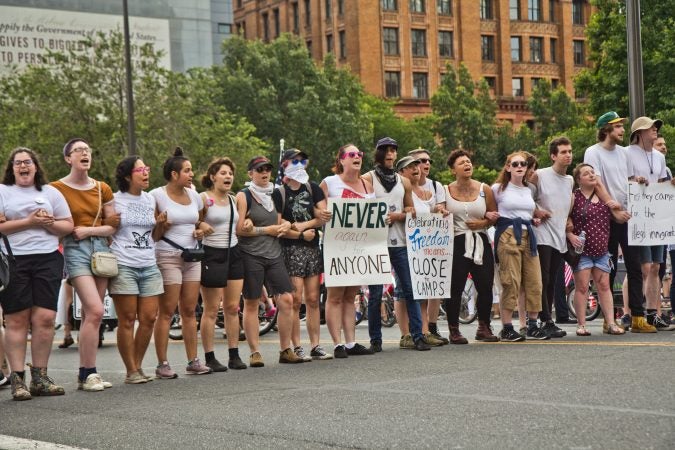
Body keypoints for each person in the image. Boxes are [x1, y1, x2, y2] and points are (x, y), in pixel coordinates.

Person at [0, 147, 73, 400]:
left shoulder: (51, 192)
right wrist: (29, 222)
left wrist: (49, 222)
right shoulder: (3, 192)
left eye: (27, 162)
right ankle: (18, 380)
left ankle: (40, 378)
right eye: (18, 163)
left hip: (47, 259)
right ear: (11, 168)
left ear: (35, 167)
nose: (23, 166)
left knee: (44, 318)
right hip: (14, 260)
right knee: (17, 320)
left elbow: (68, 225)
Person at [51, 138, 117, 391]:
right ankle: (88, 372)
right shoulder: (55, 188)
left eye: (88, 150)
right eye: (78, 150)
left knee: (94, 315)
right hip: (74, 249)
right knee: (96, 310)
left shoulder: (102, 188)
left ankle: (87, 373)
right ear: (68, 158)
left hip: (100, 248)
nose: (84, 153)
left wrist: (89, 231)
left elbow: (113, 224)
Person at [584, 112, 655, 332]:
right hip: (604, 215)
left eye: (622, 126)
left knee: (634, 265)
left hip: (626, 214)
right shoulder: (593, 152)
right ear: (606, 129)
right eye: (617, 127)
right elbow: (596, 183)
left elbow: (628, 179)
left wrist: (637, 180)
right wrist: (612, 208)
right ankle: (608, 318)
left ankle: (637, 316)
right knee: (609, 266)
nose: (622, 130)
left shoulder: (624, 153)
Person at [363, 138, 430, 352]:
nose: (390, 154)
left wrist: (399, 215)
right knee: (375, 294)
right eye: (386, 151)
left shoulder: (404, 181)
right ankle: (375, 339)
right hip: (376, 242)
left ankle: (418, 335)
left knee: (410, 289)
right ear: (379, 154)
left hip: (400, 241)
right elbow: (361, 208)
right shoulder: (368, 178)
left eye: (393, 150)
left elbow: (410, 210)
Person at [236, 156, 303, 366]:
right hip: (251, 254)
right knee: (252, 302)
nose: (264, 173)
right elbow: (239, 230)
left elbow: (279, 221)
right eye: (259, 170)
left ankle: (285, 349)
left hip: (274, 254)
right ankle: (255, 352)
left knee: (287, 300)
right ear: (250, 174)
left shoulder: (274, 194)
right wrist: (266, 230)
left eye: (267, 169)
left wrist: (286, 226)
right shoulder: (244, 195)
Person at [151, 147, 212, 378]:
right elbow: (153, 235)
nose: (191, 174)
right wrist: (160, 225)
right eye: (187, 171)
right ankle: (162, 363)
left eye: (191, 170)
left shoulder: (195, 196)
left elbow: (199, 221)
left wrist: (201, 230)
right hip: (167, 256)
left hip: (192, 256)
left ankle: (193, 360)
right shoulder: (157, 195)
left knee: (189, 310)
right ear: (174, 174)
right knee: (166, 311)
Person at [272, 149, 333, 361]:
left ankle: (316, 345)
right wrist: (300, 235)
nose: (300, 164)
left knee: (314, 298)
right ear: (286, 164)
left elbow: (323, 215)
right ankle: (297, 345)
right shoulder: (279, 192)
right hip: (291, 248)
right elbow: (278, 224)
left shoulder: (312, 187)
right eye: (295, 160)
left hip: (312, 246)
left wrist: (303, 226)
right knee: (296, 299)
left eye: (303, 160)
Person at [109, 156, 162, 384]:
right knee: (128, 319)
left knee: (149, 318)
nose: (145, 173)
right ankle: (130, 370)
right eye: (140, 169)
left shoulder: (150, 200)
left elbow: (154, 236)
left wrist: (161, 224)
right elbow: (108, 230)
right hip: (124, 263)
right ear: (127, 175)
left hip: (148, 263)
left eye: (146, 168)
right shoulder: (114, 199)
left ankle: (138, 366)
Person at [319, 144, 377, 358]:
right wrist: (322, 213)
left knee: (350, 295)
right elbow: (317, 207)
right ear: (341, 160)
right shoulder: (329, 182)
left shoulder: (368, 185)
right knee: (335, 295)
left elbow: (373, 213)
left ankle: (351, 342)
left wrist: (383, 218)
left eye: (359, 154)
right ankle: (337, 343)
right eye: (351, 154)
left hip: (359, 246)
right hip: (336, 245)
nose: (357, 157)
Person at [492, 152, 549, 341]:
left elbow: (528, 210)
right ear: (507, 167)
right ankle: (507, 327)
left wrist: (534, 218)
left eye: (523, 164)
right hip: (508, 234)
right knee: (511, 281)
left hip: (528, 234)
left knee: (535, 281)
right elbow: (490, 212)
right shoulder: (498, 189)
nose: (519, 166)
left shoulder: (528, 189)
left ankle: (532, 325)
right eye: (514, 163)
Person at [445, 150, 500, 343]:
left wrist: (483, 224)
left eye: (469, 161)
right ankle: (454, 329)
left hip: (480, 240)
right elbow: (439, 213)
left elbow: (493, 215)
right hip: (456, 242)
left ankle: (483, 326)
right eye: (461, 163)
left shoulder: (485, 189)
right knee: (455, 287)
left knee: (485, 285)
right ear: (453, 170)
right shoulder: (445, 190)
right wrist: (439, 210)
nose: (467, 165)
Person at [198, 157, 247, 371]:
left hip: (233, 252)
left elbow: (239, 224)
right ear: (212, 177)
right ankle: (209, 356)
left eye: (230, 173)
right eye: (223, 173)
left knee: (232, 307)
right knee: (210, 309)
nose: (228, 177)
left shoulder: (234, 199)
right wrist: (201, 223)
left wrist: (249, 222)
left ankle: (233, 354)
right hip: (211, 253)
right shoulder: (202, 198)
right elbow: (192, 221)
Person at [626, 117, 675, 330]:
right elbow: (624, 180)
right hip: (638, 215)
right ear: (639, 133)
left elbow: (662, 182)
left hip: (658, 216)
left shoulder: (659, 157)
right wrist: (635, 181)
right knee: (644, 267)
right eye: (651, 127)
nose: (655, 129)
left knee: (656, 266)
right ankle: (634, 312)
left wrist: (670, 184)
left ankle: (652, 313)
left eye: (656, 127)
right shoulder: (627, 153)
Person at [567, 163, 625, 336]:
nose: (592, 175)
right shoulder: (574, 197)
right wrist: (570, 236)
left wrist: (617, 208)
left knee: (604, 286)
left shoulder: (603, 197)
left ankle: (611, 323)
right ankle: (581, 324)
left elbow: (618, 218)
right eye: (586, 173)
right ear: (579, 180)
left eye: (593, 172)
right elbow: (565, 218)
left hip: (601, 250)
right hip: (582, 250)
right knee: (582, 287)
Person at [396, 155, 444, 347]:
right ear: (401, 173)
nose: (416, 168)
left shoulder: (426, 192)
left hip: (424, 247)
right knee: (402, 291)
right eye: (410, 167)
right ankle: (405, 334)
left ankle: (424, 331)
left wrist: (440, 211)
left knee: (423, 289)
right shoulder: (400, 192)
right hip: (405, 245)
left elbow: (430, 216)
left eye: (417, 165)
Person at [530, 137, 574, 338]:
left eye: (570, 151)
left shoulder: (570, 180)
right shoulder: (540, 175)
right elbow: (524, 198)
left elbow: (565, 205)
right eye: (563, 152)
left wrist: (568, 221)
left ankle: (545, 319)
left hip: (559, 235)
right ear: (553, 156)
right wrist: (537, 211)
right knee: (543, 277)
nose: (568, 155)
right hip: (542, 234)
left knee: (552, 279)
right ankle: (546, 319)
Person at [408, 148, 449, 344]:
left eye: (428, 160)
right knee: (417, 287)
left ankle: (431, 326)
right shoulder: (405, 186)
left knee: (434, 285)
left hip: (433, 240)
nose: (426, 164)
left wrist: (440, 209)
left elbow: (438, 208)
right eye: (421, 161)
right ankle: (417, 328)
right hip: (414, 242)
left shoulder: (435, 185)